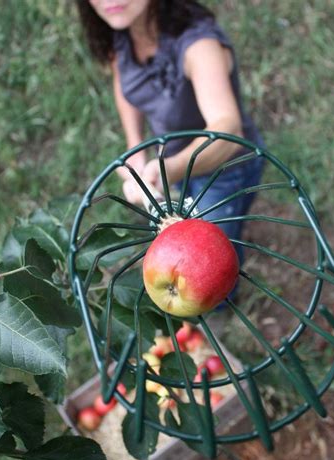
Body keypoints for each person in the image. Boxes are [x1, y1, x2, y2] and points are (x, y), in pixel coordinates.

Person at [76, 0, 264, 264]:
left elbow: (227, 128)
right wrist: (135, 146)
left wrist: (167, 170)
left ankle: (224, 303)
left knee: (209, 261)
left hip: (226, 170)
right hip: (175, 166)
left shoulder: (198, 44)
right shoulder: (122, 27)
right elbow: (126, 84)